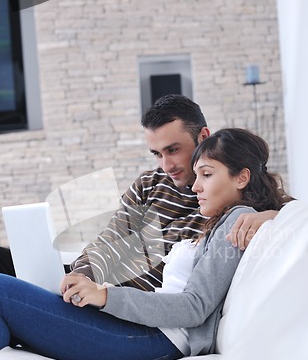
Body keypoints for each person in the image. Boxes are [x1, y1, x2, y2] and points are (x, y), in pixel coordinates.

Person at [0, 128, 290, 360]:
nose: (195, 187)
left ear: (242, 177)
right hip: (139, 328)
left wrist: (105, 297)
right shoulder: (226, 220)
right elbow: (111, 238)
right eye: (197, 176)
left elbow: (194, 307)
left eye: (207, 175)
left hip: (150, 340)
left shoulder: (238, 221)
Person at [0, 95, 278, 286]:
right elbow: (111, 236)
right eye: (157, 153)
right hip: (95, 285)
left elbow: (298, 213)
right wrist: (83, 273)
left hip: (127, 300)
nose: (166, 165)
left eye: (173, 150)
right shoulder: (149, 183)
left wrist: (270, 216)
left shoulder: (228, 192)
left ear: (203, 137)